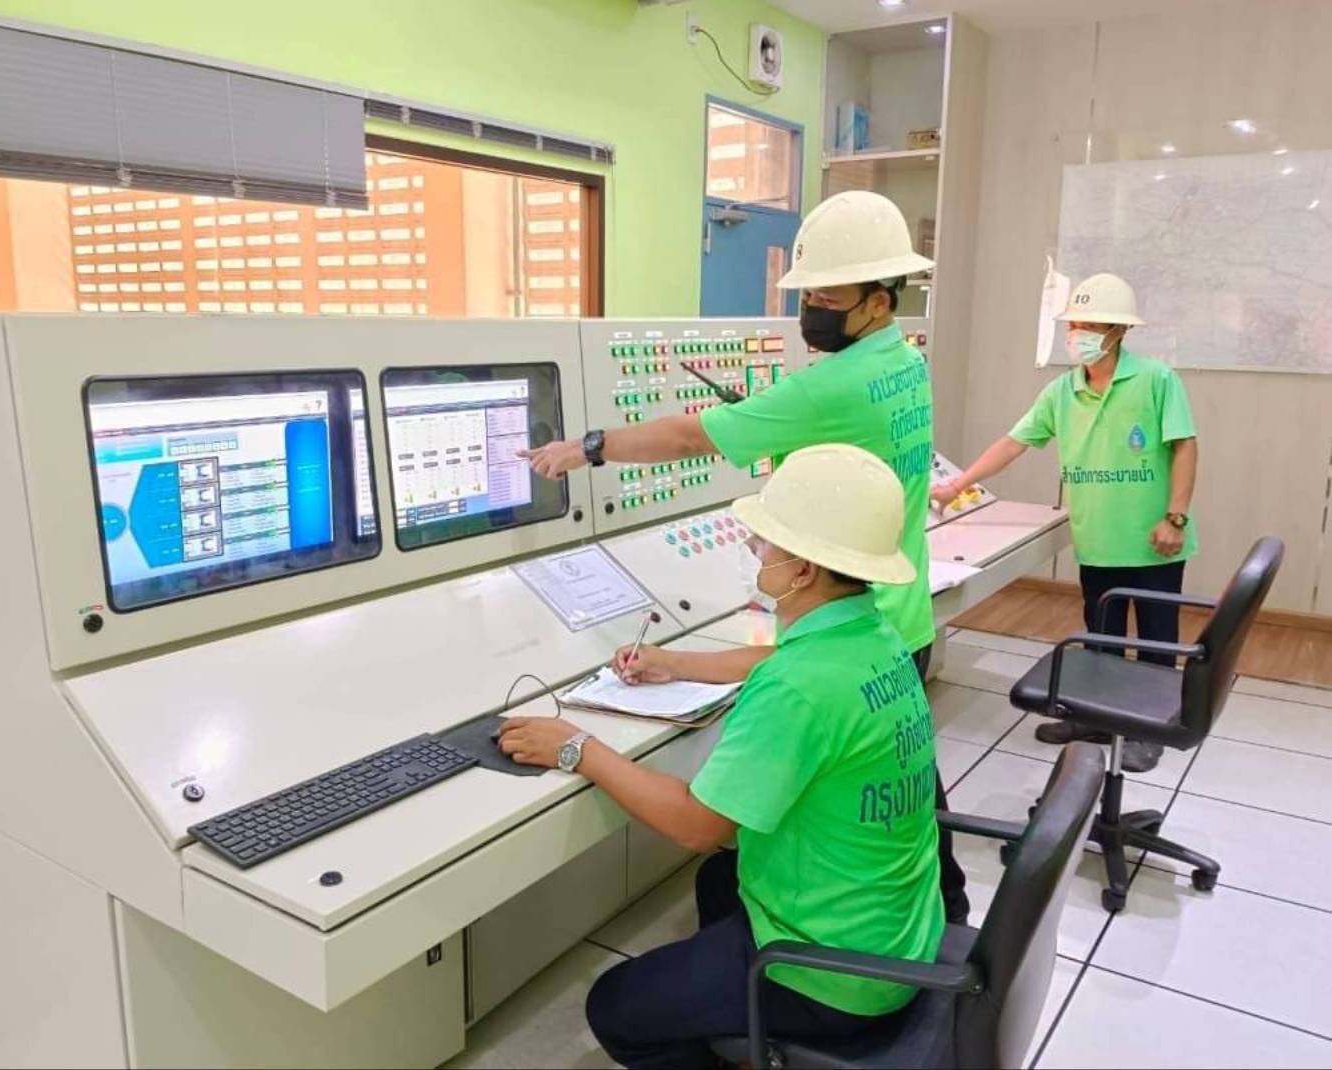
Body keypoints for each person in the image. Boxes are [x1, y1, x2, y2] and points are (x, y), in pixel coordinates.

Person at [523, 190, 969, 924]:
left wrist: (589, 447)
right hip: (896, 614)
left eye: (829, 296)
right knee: (896, 787)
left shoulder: (832, 384)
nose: (813, 307)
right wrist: (679, 662)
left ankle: (905, 935)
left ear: (880, 302)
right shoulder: (904, 360)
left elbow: (690, 436)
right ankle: (941, 917)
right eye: (809, 293)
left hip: (850, 611)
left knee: (861, 790)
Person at [497, 446, 945, 1070]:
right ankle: (738, 1019)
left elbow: (696, 825)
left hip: (838, 977)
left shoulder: (797, 691)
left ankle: (753, 1019)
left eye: (766, 541)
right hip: (899, 933)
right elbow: (779, 662)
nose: (755, 549)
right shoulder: (874, 636)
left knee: (615, 1007)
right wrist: (674, 663)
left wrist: (576, 747)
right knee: (716, 882)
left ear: (803, 570)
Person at [932, 272, 1198, 773]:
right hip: (1097, 539)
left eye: (1090, 325)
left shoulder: (1156, 380)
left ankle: (1148, 732)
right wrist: (956, 484)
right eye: (1074, 324)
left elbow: (1185, 446)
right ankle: (1096, 718)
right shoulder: (1062, 391)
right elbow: (1013, 443)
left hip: (1154, 541)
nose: (1078, 334)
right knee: (1101, 639)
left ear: (1120, 330)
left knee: (1155, 641)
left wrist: (1175, 517)